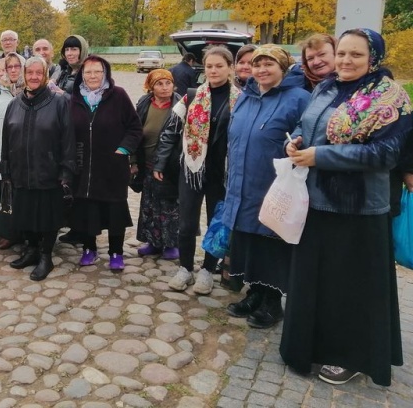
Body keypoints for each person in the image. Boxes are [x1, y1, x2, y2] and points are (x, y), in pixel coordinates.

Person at [280, 29, 411, 387]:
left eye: (356, 55)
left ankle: (350, 357)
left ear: (374, 58)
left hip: (357, 207)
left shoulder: (390, 97)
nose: (345, 61)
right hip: (316, 199)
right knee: (315, 280)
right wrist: (297, 140)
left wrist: (320, 156)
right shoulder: (327, 87)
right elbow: (309, 124)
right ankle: (308, 347)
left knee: (348, 286)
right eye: (342, 54)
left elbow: (384, 154)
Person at [221, 45, 309, 327]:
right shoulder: (247, 96)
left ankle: (273, 302)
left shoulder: (299, 99)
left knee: (271, 243)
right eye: (257, 64)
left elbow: (306, 133)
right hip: (242, 181)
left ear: (283, 68)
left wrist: (295, 142)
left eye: (269, 64)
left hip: (274, 185)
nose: (261, 70)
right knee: (248, 241)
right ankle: (255, 293)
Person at [160, 47, 241, 293]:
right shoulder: (192, 96)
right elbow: (171, 129)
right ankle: (185, 268)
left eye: (219, 66)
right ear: (203, 68)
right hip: (192, 170)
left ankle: (207, 270)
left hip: (222, 173)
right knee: (186, 224)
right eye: (209, 66)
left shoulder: (240, 99)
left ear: (230, 67)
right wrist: (160, 162)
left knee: (216, 224)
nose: (214, 71)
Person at [0, 56, 76, 281]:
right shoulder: (15, 104)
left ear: (45, 76)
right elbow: (6, 138)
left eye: (38, 73)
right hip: (20, 171)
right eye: (30, 72)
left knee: (47, 217)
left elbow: (68, 140)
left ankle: (45, 256)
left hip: (48, 172)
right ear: (24, 74)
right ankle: (31, 250)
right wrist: (6, 169)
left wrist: (66, 171)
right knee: (24, 214)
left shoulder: (59, 102)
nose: (34, 77)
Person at [70, 55, 142, 271]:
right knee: (87, 210)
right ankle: (89, 249)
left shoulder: (118, 96)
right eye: (88, 72)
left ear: (105, 74)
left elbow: (135, 128)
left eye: (97, 72)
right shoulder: (74, 98)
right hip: (84, 167)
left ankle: (116, 253)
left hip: (113, 166)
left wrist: (123, 150)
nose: (92, 76)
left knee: (115, 211)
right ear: (82, 75)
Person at [133, 69, 182, 260]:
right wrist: (134, 161)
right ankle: (153, 242)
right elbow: (135, 131)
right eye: (159, 84)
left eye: (168, 83)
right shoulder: (144, 104)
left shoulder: (180, 104)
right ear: (151, 87)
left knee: (170, 204)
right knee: (149, 204)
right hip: (147, 162)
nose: (164, 88)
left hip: (171, 163)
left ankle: (171, 243)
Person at [53, 34, 90, 245]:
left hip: (80, 133)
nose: (70, 53)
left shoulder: (87, 72)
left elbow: (86, 100)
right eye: (67, 50)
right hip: (63, 131)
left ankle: (84, 229)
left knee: (80, 180)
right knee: (68, 179)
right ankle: (73, 226)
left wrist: (61, 94)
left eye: (74, 49)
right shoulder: (64, 71)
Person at [0, 55, 25, 250]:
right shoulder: (0, 92)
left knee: (25, 195)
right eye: (9, 66)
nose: (13, 69)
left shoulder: (29, 90)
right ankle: (10, 232)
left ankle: (28, 232)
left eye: (17, 65)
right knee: (7, 194)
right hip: (5, 152)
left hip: (27, 153)